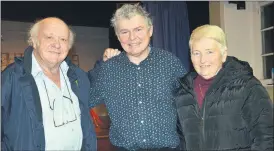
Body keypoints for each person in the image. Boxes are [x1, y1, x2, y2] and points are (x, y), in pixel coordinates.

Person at [89, 3, 187, 151]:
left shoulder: (171, 63)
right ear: (117, 35)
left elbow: (189, 104)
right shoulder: (108, 69)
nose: (132, 37)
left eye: (138, 29)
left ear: (150, 30)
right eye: (124, 32)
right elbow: (85, 99)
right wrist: (100, 66)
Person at [1, 17, 97, 151]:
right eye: (49, 37)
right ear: (34, 41)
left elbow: (96, 85)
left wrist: (106, 63)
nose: (57, 44)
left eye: (63, 39)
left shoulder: (78, 76)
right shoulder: (11, 78)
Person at [175, 24, 274, 151]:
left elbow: (267, 138)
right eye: (196, 53)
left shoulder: (248, 87)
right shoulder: (182, 93)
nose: (203, 60)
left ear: (224, 53)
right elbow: (182, 142)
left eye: (209, 52)